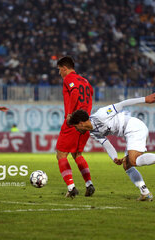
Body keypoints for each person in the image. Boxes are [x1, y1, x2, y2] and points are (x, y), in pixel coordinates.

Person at [68, 92, 155, 201]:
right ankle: (145, 193)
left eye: (76, 127)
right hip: (128, 133)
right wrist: (114, 157)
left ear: (81, 123)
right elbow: (106, 144)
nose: (77, 130)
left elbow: (123, 104)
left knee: (133, 160)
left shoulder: (100, 115)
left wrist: (145, 99)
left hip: (133, 126)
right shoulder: (93, 132)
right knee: (127, 165)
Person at [56, 56, 95, 198]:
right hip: (85, 123)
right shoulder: (86, 81)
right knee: (77, 154)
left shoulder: (69, 79)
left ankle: (71, 187)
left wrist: (71, 114)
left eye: (59, 70)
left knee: (61, 154)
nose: (59, 73)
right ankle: (89, 183)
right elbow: (90, 95)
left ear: (65, 68)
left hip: (73, 122)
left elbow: (75, 92)